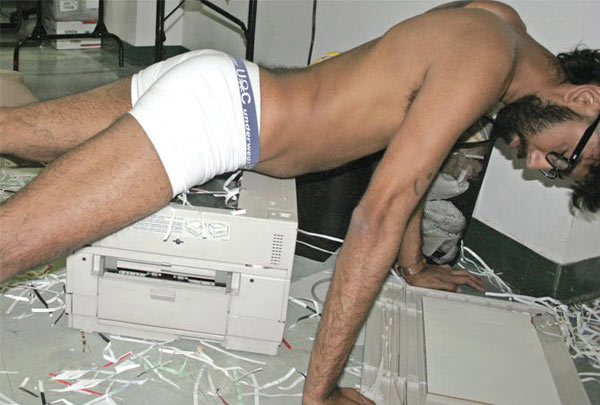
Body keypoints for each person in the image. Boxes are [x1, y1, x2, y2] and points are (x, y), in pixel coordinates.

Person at [0, 1, 598, 403]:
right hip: (216, 120)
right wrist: (322, 393)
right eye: (564, 156)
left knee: (14, 131)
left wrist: (414, 265)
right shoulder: (487, 58)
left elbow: (415, 162)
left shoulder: (498, 21)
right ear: (587, 100)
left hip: (217, 80)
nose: (542, 167)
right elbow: (379, 214)